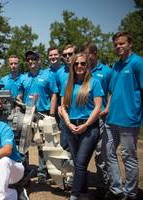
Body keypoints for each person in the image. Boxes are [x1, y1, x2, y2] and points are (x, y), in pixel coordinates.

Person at [104, 32, 143, 200]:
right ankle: (116, 190)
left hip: (129, 119)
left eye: (122, 43)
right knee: (109, 153)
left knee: (128, 157)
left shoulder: (139, 63)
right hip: (111, 119)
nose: (118, 46)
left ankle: (130, 193)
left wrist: (140, 113)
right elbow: (112, 92)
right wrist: (106, 109)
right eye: (116, 44)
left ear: (130, 44)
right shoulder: (116, 65)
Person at [60, 53, 104, 200]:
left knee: (79, 162)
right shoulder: (68, 84)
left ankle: (75, 194)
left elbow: (98, 108)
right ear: (72, 66)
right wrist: (68, 123)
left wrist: (86, 124)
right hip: (71, 127)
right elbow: (63, 107)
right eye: (76, 63)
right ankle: (83, 190)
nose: (79, 66)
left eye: (83, 63)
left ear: (87, 66)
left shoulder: (95, 82)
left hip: (89, 128)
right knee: (78, 162)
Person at [17, 50, 58, 184]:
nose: (30, 61)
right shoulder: (23, 77)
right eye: (28, 59)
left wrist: (52, 114)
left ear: (38, 60)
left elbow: (53, 95)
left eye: (33, 58)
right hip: (27, 113)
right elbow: (19, 95)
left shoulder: (48, 75)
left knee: (43, 145)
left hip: (43, 113)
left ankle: (42, 172)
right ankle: (25, 170)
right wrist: (19, 102)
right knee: (24, 143)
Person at [83, 42, 112, 196]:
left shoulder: (106, 71)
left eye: (87, 54)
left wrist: (107, 109)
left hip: (101, 119)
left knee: (101, 153)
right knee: (83, 153)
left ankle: (101, 185)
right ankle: (83, 183)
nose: (85, 57)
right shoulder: (82, 71)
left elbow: (112, 91)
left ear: (94, 54)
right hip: (84, 119)